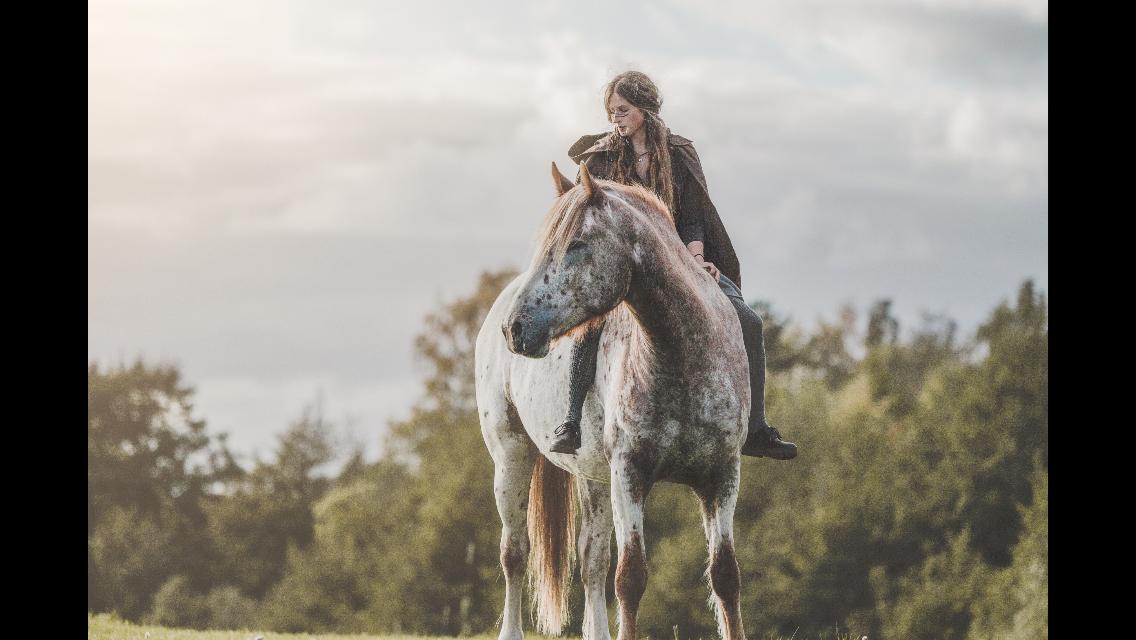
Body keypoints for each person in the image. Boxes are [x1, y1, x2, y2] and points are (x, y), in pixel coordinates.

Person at [550, 70, 797, 460]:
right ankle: (570, 421)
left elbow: (693, 217)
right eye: (611, 111)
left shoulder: (678, 154)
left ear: (644, 110)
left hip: (678, 261)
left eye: (623, 110)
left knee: (749, 320)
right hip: (622, 267)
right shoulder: (602, 159)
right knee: (589, 326)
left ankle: (756, 429)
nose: (616, 118)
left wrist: (698, 262)